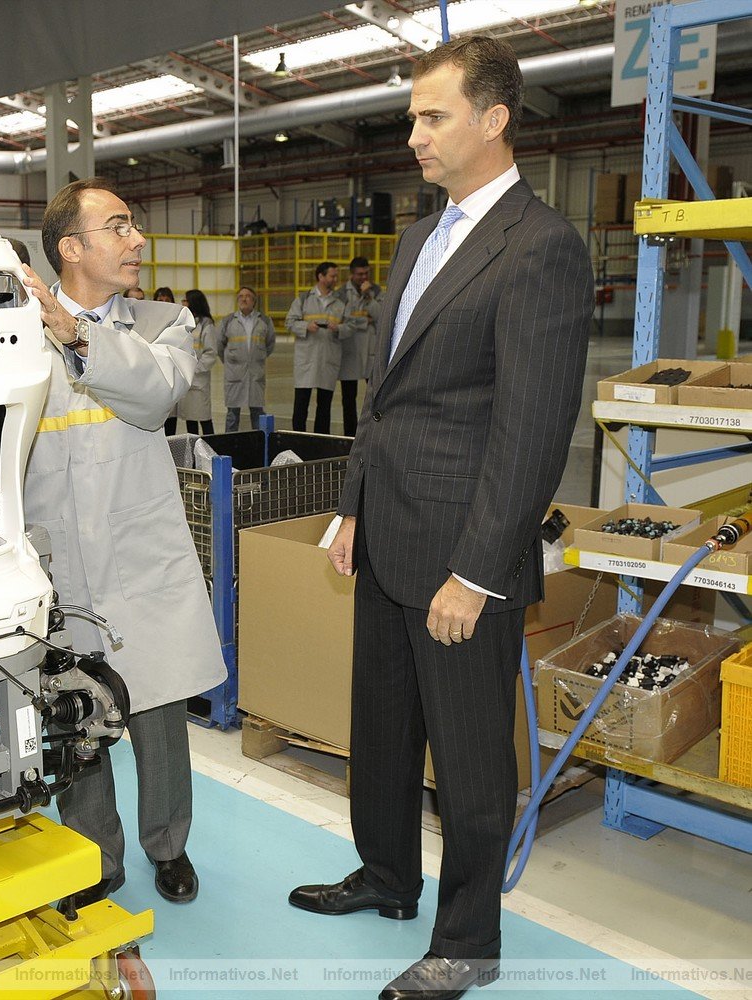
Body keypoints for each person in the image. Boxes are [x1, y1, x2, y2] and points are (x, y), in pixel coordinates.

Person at [289, 36, 592, 1000]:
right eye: (411, 116)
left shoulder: (542, 249)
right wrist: (351, 511)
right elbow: (385, 398)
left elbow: (532, 431)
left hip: (464, 551)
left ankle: (469, 940)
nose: (410, 133)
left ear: (494, 120)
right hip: (386, 531)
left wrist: (479, 570)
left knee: (466, 761)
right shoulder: (423, 237)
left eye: (432, 116)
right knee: (379, 727)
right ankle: (385, 873)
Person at [18, 178, 224, 910]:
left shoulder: (164, 323)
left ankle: (168, 846)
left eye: (133, 226)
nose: (138, 240)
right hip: (55, 562)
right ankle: (93, 856)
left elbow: (154, 394)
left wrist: (74, 336)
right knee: (75, 719)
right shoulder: (13, 331)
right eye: (119, 227)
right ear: (71, 248)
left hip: (139, 559)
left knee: (158, 713)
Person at [285, 261, 347, 435]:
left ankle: (321, 439)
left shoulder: (340, 302)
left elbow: (350, 327)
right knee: (301, 405)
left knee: (324, 405)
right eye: (332, 276)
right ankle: (298, 439)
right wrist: (305, 326)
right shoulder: (304, 299)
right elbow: (289, 322)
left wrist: (339, 328)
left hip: (328, 358)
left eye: (336, 276)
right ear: (321, 276)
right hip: (307, 359)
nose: (335, 279)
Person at [216, 286, 276, 433]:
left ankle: (259, 445)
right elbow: (219, 345)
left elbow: (270, 344)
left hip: (255, 374)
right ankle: (230, 444)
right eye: (241, 296)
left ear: (254, 301)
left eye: (248, 296)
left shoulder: (264, 321)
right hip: (235, 374)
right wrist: (232, 361)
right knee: (232, 414)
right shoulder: (228, 321)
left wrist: (256, 358)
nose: (244, 299)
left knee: (257, 412)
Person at [337, 255, 383, 437]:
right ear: (351, 275)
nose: (363, 278)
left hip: (370, 350)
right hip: (349, 349)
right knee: (348, 398)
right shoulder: (340, 293)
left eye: (366, 273)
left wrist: (369, 297)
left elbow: (381, 316)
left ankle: (372, 434)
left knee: (374, 396)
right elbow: (342, 318)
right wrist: (366, 321)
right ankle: (350, 435)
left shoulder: (376, 291)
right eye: (359, 274)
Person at [165, 288, 216, 436]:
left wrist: (193, 369)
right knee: (190, 419)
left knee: (204, 419)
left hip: (198, 379)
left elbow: (211, 353)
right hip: (186, 379)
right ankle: (193, 455)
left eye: (185, 300)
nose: (182, 303)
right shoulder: (185, 322)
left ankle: (211, 450)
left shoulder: (207, 325)